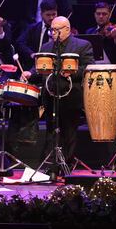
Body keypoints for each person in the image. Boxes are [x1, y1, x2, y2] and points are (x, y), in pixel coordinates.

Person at [38, 16, 94, 177]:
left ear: (67, 29)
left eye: (57, 30)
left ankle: (66, 165)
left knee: (69, 132)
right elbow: (41, 68)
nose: (53, 33)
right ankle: (51, 166)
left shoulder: (82, 45)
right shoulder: (46, 46)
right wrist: (30, 72)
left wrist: (72, 72)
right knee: (51, 130)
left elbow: (88, 67)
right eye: (52, 30)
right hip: (51, 95)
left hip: (71, 96)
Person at [16, 0, 58, 70]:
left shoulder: (61, 30)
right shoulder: (32, 28)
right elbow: (20, 42)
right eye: (48, 15)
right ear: (41, 14)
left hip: (55, 66)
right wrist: (31, 54)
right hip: (34, 65)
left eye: (54, 14)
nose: (51, 18)